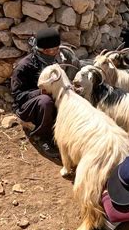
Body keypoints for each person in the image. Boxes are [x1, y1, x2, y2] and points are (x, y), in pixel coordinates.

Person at [10, 28, 79, 161]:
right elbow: (18, 96)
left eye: (55, 50)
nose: (52, 53)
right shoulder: (24, 66)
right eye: (48, 51)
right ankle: (42, 136)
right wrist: (41, 92)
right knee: (45, 101)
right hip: (28, 106)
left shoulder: (54, 61)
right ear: (39, 49)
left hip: (48, 101)